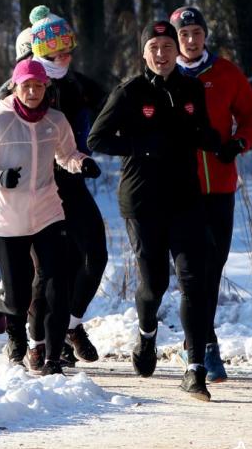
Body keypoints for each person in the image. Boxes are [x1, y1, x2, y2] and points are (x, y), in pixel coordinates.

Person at [88, 20, 220, 400]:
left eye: (167, 46)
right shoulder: (130, 92)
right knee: (155, 284)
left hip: (186, 198)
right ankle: (146, 336)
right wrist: (142, 145)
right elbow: (96, 138)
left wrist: (214, 140)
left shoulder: (191, 87)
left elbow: (201, 130)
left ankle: (194, 369)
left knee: (194, 280)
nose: (161, 54)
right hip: (143, 201)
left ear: (177, 49)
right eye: (154, 48)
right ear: (143, 53)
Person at [0, 6, 108, 366]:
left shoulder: (75, 84)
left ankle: (68, 325)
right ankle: (28, 340)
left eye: (68, 50)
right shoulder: (11, 95)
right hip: (26, 193)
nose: (65, 57)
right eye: (57, 51)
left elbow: (113, 105)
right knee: (40, 277)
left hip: (70, 180)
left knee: (94, 254)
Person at [170, 5, 252, 383]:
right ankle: (205, 347)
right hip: (180, 188)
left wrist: (238, 143)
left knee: (214, 267)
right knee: (194, 273)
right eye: (184, 35)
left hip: (221, 184)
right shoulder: (166, 76)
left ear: (205, 36)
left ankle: (201, 341)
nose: (191, 41)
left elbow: (251, 115)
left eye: (196, 33)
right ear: (175, 40)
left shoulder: (225, 73)